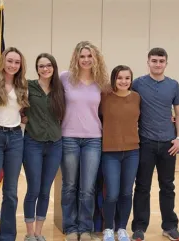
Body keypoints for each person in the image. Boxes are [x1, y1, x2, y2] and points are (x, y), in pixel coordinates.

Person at [131, 48, 179, 241]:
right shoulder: (138, 84)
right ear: (148, 62)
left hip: (169, 144)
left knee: (167, 186)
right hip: (145, 142)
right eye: (154, 61)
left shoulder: (173, 85)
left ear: (166, 63)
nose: (158, 64)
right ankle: (139, 227)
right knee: (142, 186)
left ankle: (170, 226)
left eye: (161, 61)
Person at [60, 41, 109, 241]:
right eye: (82, 56)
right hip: (69, 137)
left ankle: (85, 229)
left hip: (93, 140)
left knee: (87, 187)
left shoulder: (102, 82)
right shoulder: (64, 78)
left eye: (90, 56)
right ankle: (70, 227)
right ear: (76, 58)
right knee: (70, 185)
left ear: (95, 58)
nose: (86, 60)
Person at [0, 47, 29, 241]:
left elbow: (23, 111)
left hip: (16, 138)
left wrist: (24, 119)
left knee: (11, 191)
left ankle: (8, 235)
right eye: (10, 61)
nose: (13, 65)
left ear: (21, 65)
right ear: (3, 62)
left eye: (17, 62)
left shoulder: (23, 86)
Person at [21, 53, 65, 241]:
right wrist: (22, 117)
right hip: (33, 143)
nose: (45, 69)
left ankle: (39, 232)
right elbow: (17, 108)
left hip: (55, 144)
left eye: (48, 65)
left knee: (45, 190)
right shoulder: (28, 87)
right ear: (36, 68)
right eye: (41, 66)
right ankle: (29, 233)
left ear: (54, 67)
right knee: (34, 189)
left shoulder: (59, 89)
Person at [100, 65, 140, 241]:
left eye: (127, 78)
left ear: (131, 80)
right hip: (110, 152)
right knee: (112, 193)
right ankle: (108, 228)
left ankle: (122, 228)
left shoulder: (137, 98)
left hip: (132, 152)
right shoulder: (105, 97)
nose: (123, 81)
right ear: (113, 79)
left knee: (126, 192)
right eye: (119, 78)